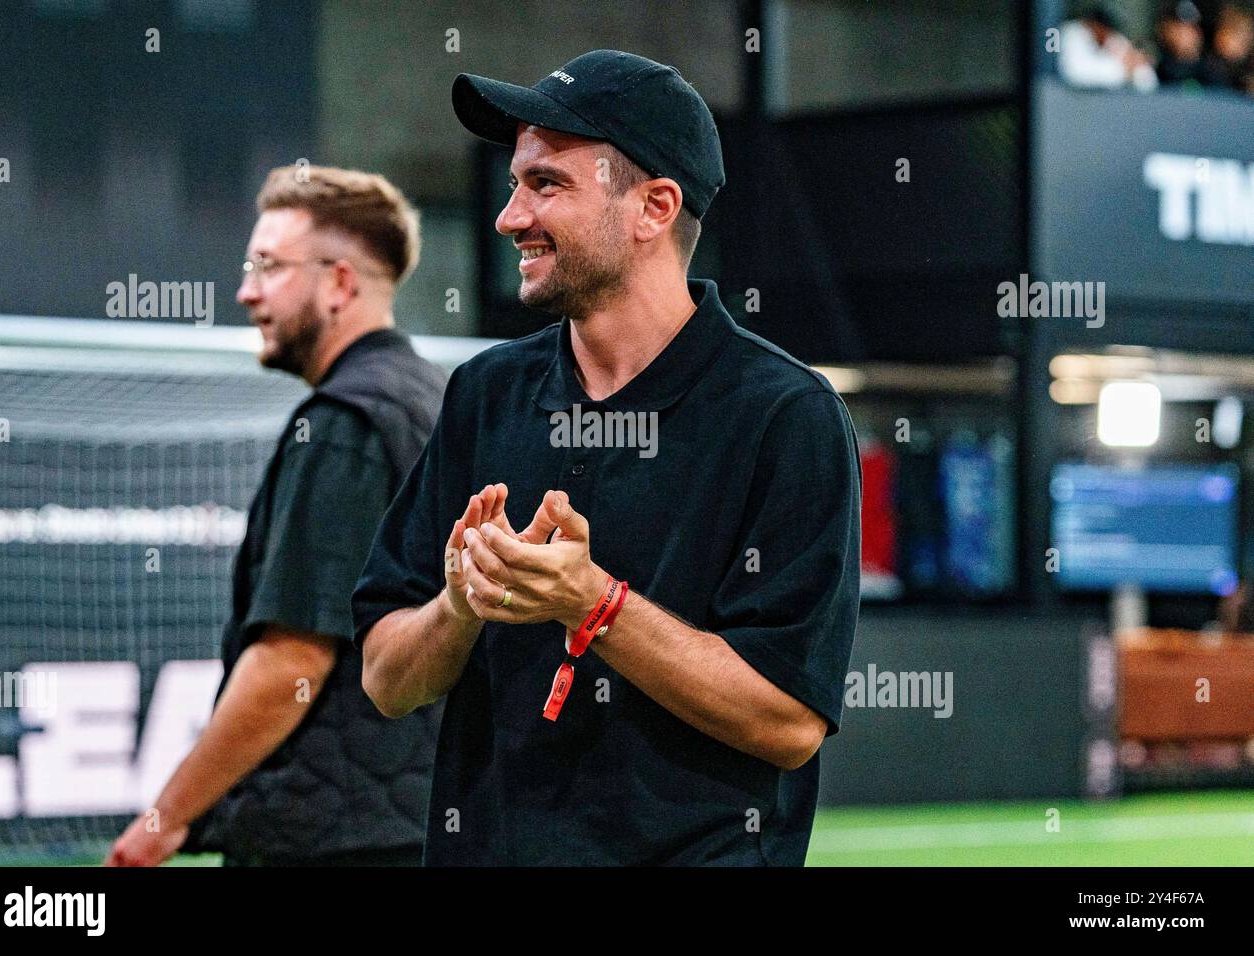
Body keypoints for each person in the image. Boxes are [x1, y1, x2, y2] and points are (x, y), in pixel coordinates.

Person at [354, 50, 862, 866]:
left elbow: (789, 723)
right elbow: (386, 679)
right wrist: (460, 603)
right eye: (517, 182)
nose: (510, 216)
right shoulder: (484, 393)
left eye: (546, 184)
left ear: (654, 208)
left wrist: (594, 603)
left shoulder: (786, 416)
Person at [107, 165, 446, 866]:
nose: (246, 291)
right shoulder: (436, 400)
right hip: (418, 822)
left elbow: (290, 660)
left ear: (341, 284)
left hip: (334, 840)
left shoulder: (342, 425)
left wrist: (163, 820)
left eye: (268, 267)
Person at [1058, 4, 1159, 90]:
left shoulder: (1112, 38)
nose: (1107, 36)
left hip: (1114, 105)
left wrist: (1136, 68)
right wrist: (1124, 71)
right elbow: (1076, 74)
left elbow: (1148, 81)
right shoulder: (1071, 32)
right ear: (1093, 24)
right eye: (1102, 30)